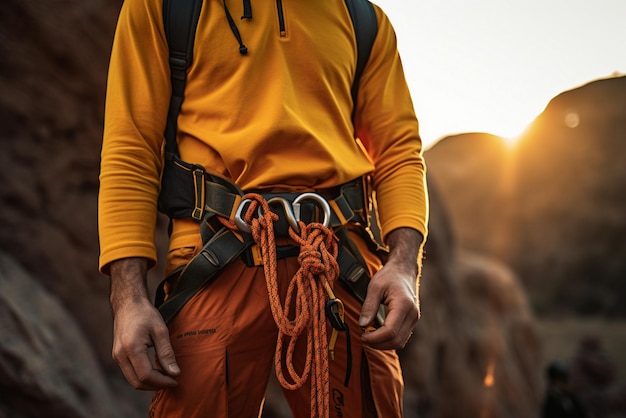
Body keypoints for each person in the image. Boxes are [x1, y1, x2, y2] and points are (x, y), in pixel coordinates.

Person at [99, 0, 428, 417]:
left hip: (335, 262)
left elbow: (399, 152)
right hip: (214, 257)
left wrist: (403, 265)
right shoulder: (162, 6)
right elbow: (131, 148)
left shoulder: (364, 20)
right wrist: (127, 298)